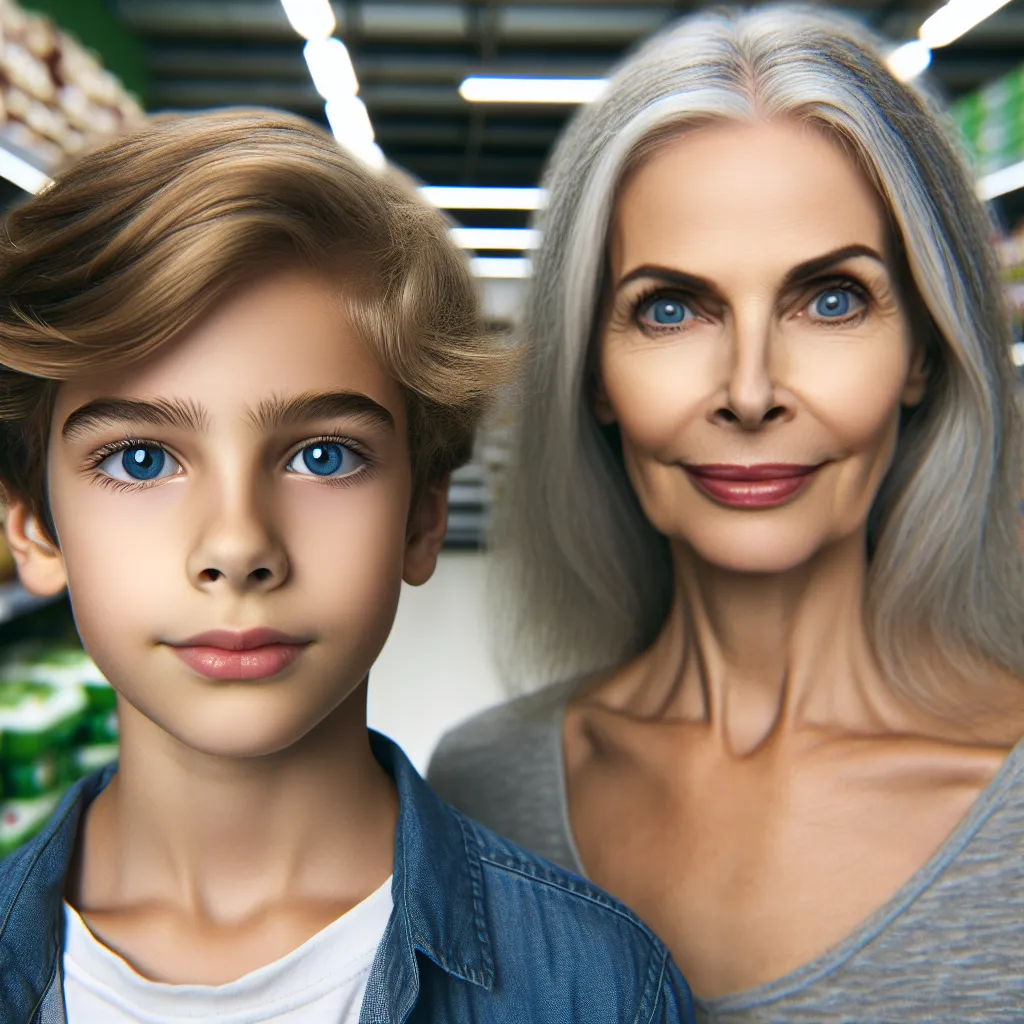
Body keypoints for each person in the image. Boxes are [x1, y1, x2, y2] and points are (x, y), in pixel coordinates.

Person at [0, 110, 695, 1024]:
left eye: (322, 456)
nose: (238, 546)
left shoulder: (596, 988)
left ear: (422, 516)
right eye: (140, 459)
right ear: (35, 530)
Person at [428, 6, 1024, 1022]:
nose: (750, 391)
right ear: (596, 373)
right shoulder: (484, 787)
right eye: (670, 308)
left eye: (830, 300)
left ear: (921, 352)